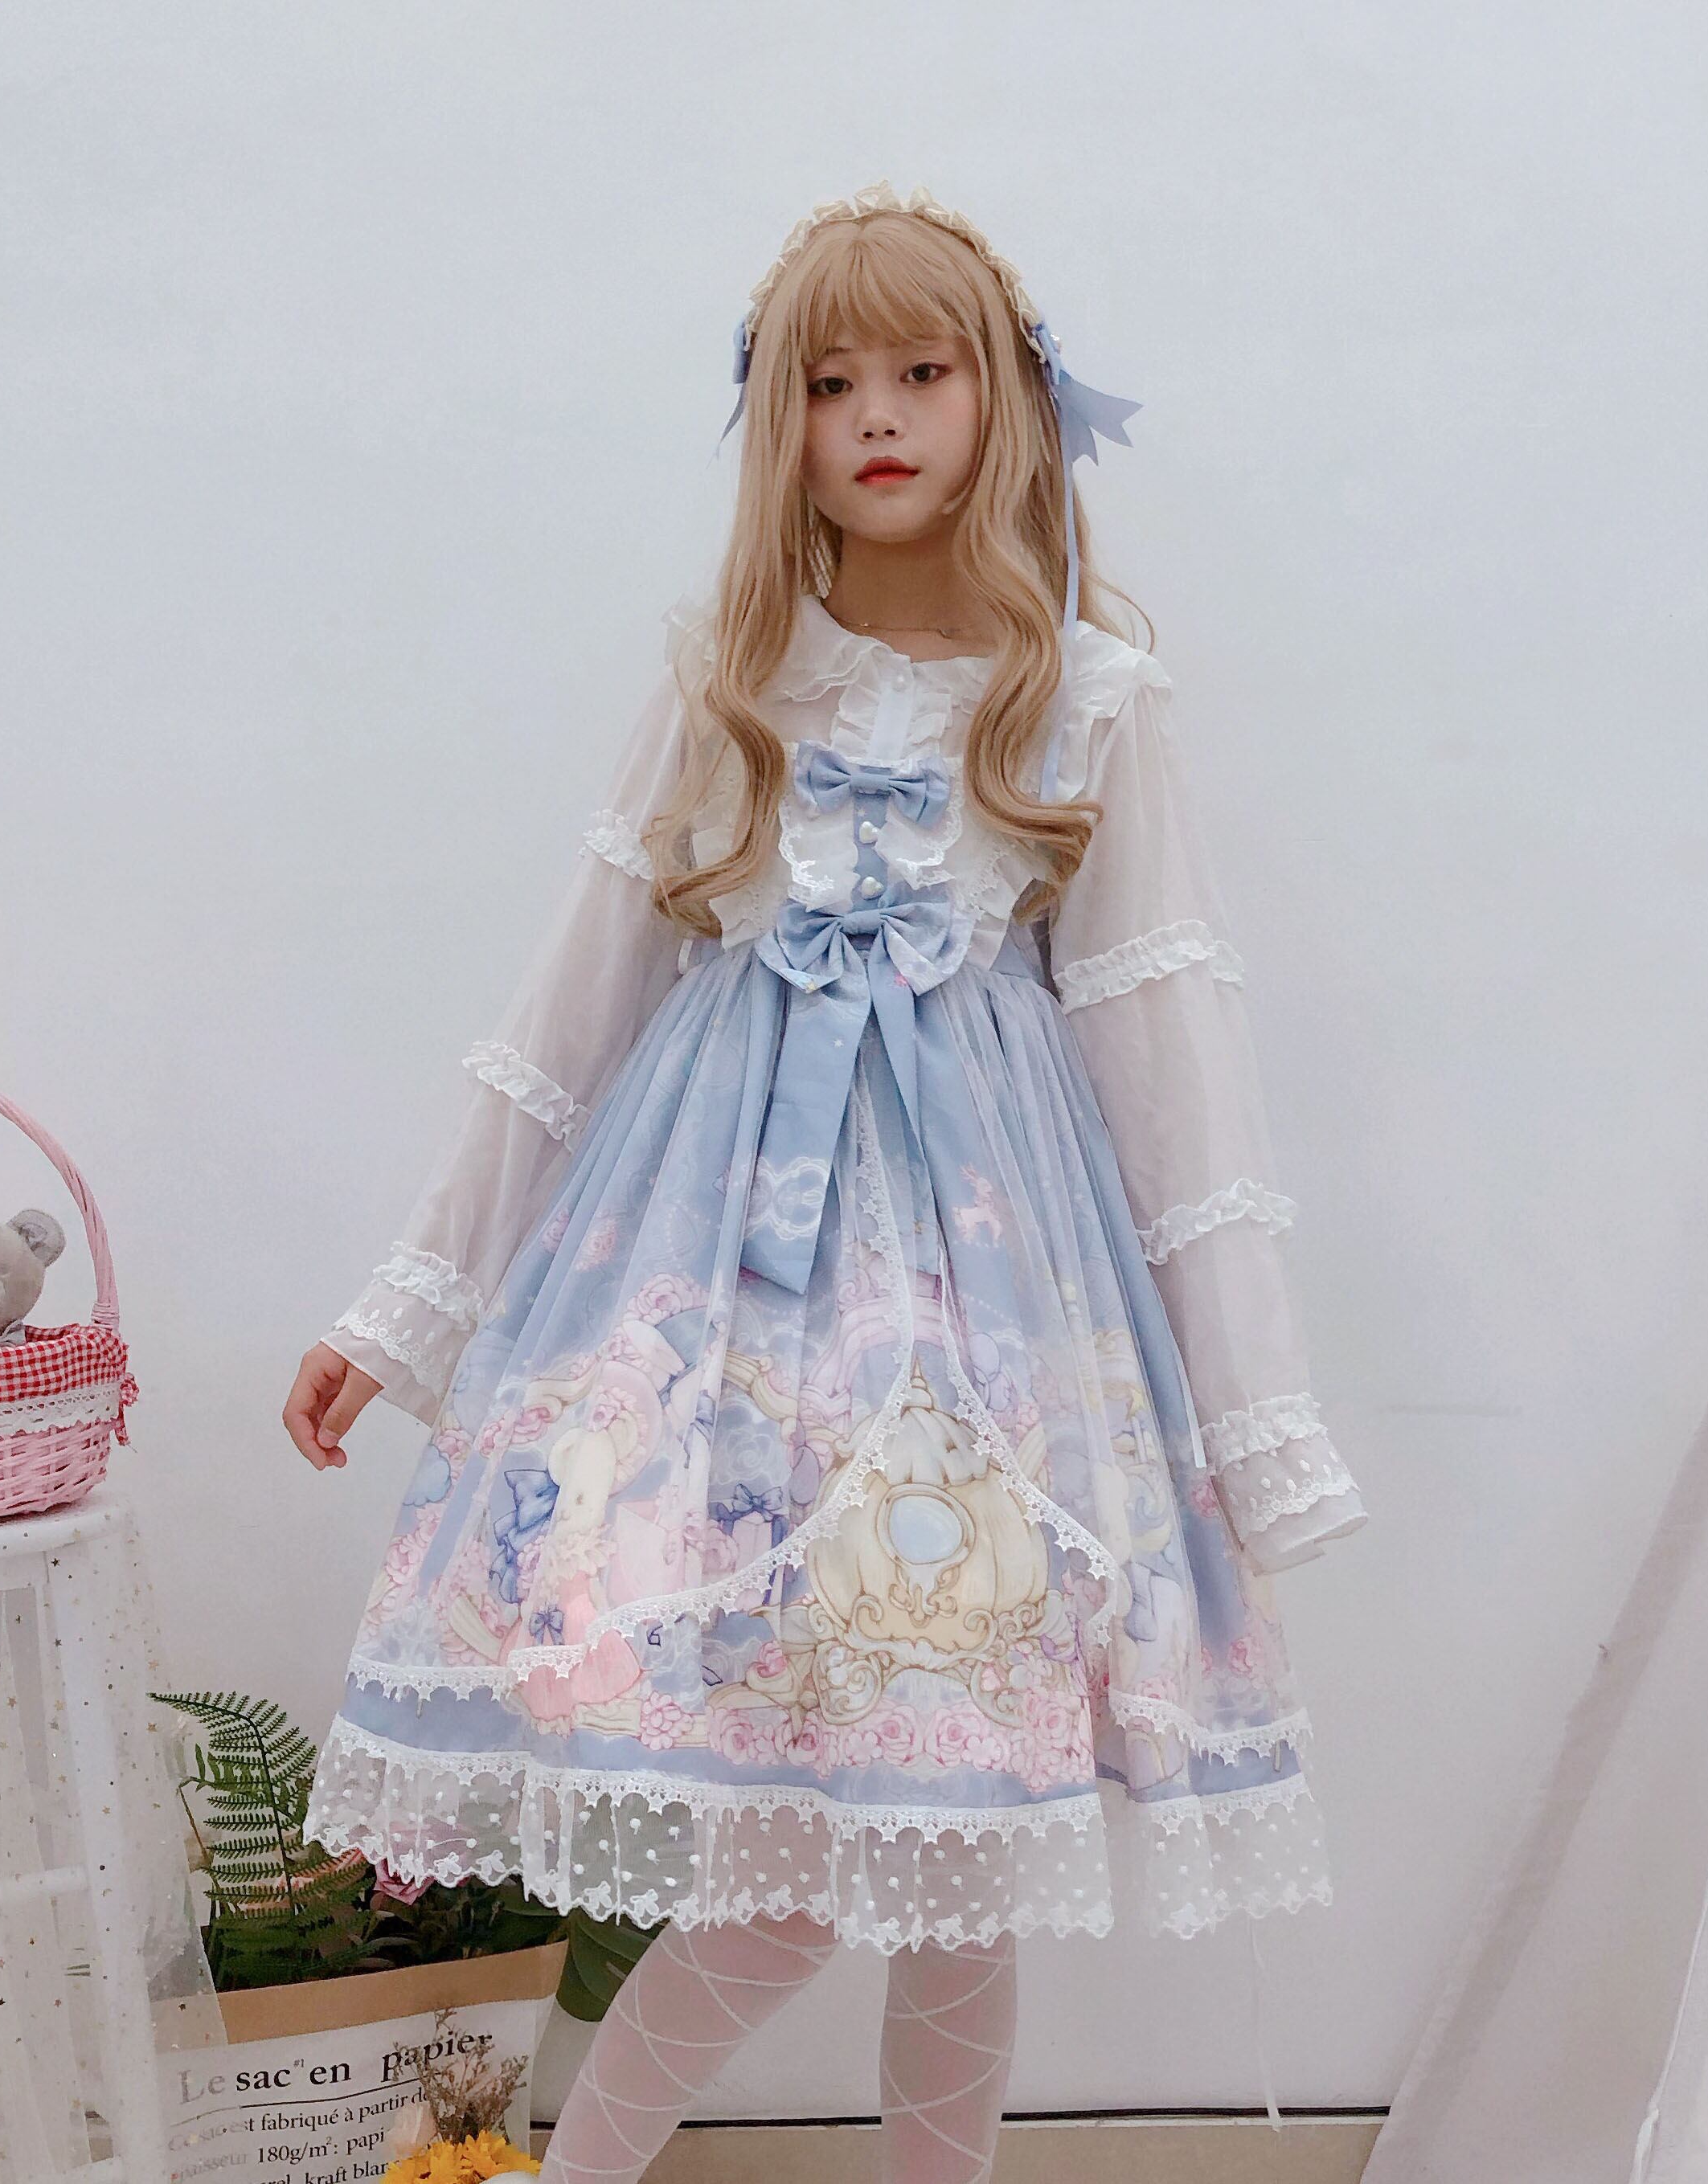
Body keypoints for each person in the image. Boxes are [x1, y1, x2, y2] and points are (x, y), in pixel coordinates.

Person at [282, 178, 1364, 2184]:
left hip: (989, 1349)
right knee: (779, 1871)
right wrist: (405, 1306)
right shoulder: (729, 679)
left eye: (923, 372)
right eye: (827, 381)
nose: (876, 416)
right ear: (776, 420)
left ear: (1004, 401)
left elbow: (1170, 1059)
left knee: (964, 1862)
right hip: (724, 1340)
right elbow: (568, 1014)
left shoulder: (1087, 697)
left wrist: (1251, 1420)